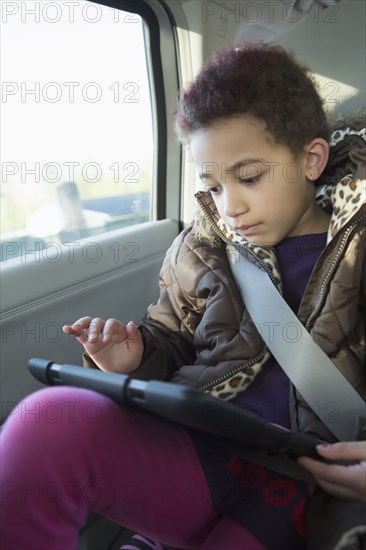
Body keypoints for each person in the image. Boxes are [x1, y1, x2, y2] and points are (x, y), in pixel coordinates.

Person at [1, 43, 365, 550]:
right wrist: (133, 356)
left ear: (311, 159)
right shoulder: (202, 251)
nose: (230, 206)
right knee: (44, 424)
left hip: (309, 481)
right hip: (203, 447)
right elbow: (171, 339)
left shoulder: (357, 247)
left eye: (249, 177)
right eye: (212, 186)